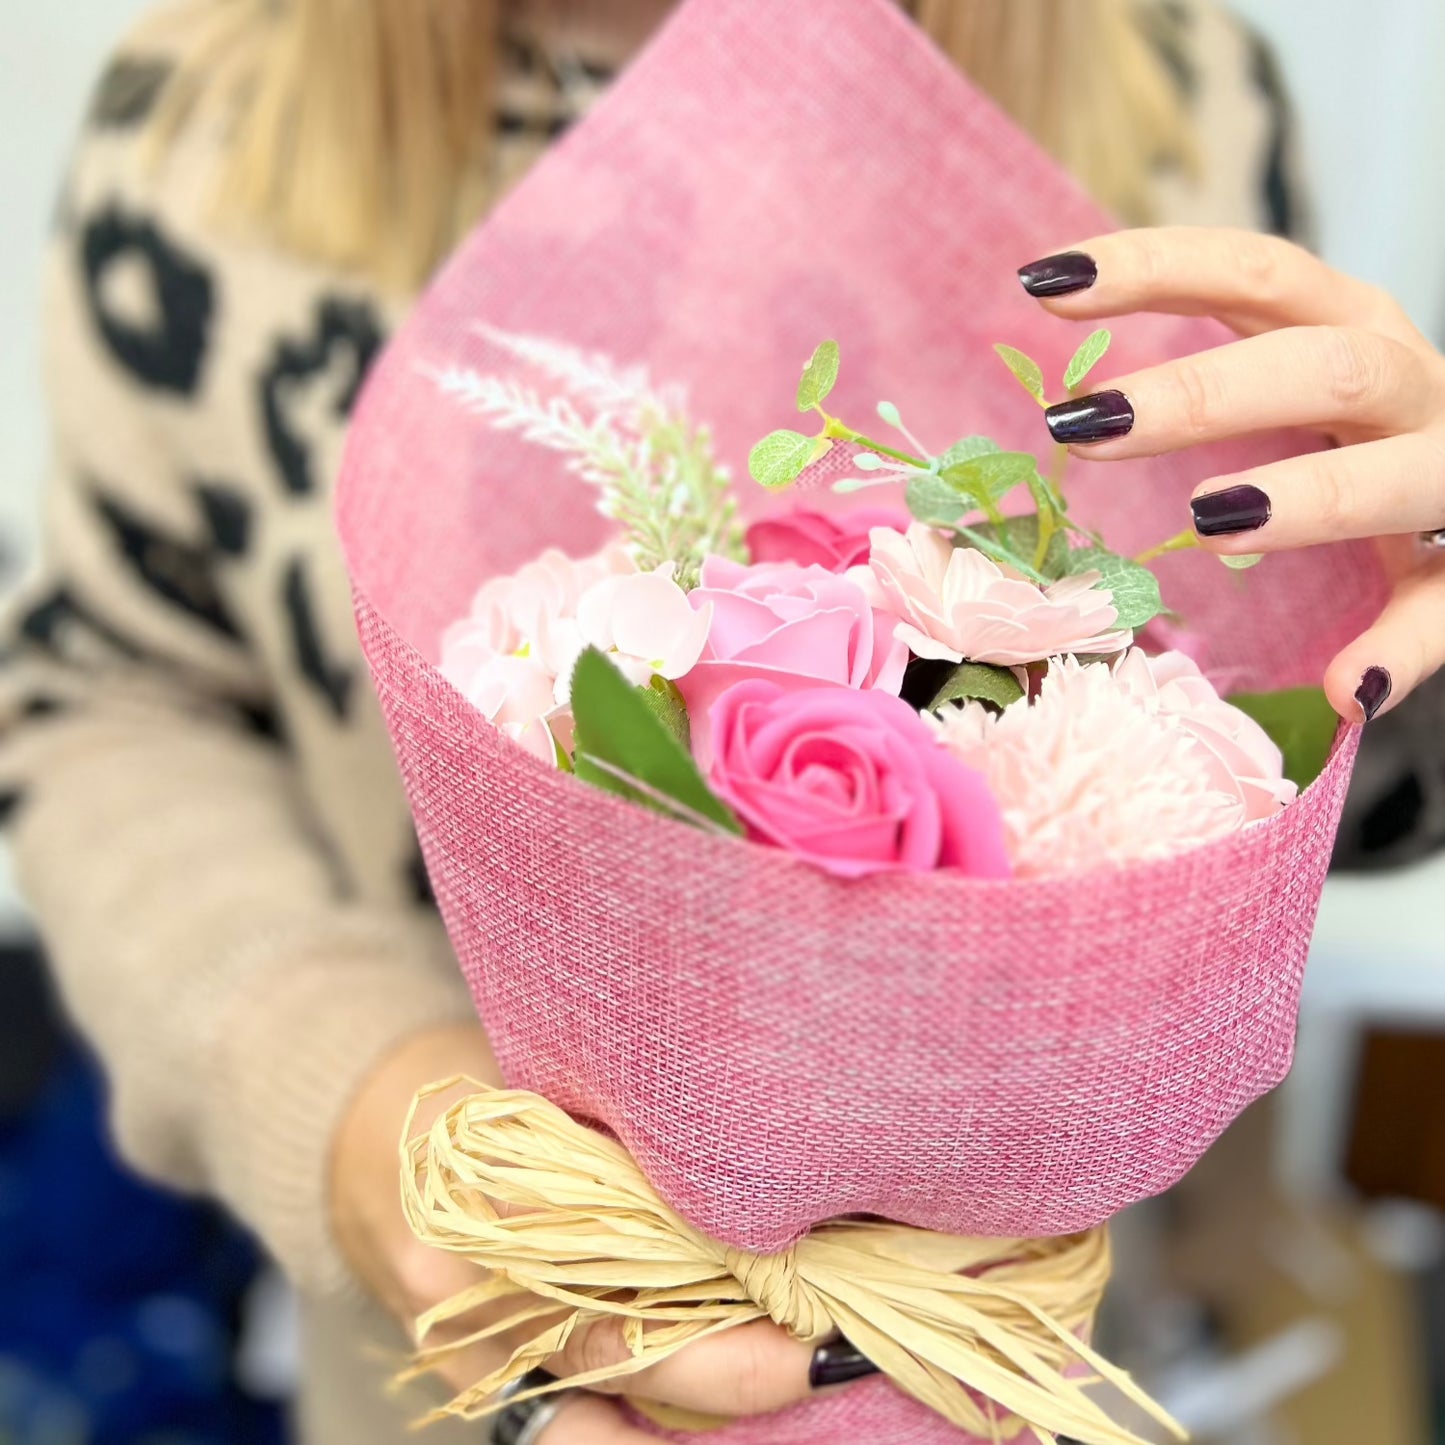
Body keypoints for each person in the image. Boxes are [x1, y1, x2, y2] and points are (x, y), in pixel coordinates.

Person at [4, 2, 1443, 1442]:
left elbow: (1257, 746)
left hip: (1001, 1363)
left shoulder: (1179, 99)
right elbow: (108, 699)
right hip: (473, 1356)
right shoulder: (212, 134)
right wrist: (361, 1108)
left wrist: (1403, 612)